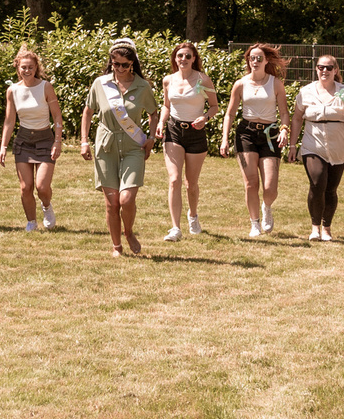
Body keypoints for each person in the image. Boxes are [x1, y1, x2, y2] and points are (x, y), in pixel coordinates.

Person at [83, 38, 156, 257]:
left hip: (134, 147)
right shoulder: (100, 84)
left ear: (133, 63)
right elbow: (88, 112)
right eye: (117, 64)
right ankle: (116, 246)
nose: (121, 69)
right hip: (106, 147)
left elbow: (153, 113)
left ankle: (129, 231)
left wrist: (151, 137)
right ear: (111, 63)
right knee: (112, 202)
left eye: (125, 64)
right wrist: (84, 141)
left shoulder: (142, 86)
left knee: (126, 199)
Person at [223, 42, 291, 237]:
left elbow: (284, 113)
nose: (255, 61)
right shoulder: (241, 84)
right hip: (246, 133)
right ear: (248, 61)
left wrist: (285, 129)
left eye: (259, 58)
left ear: (266, 60)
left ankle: (267, 206)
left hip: (270, 134)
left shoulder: (275, 83)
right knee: (251, 182)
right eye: (252, 58)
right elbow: (229, 114)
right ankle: (254, 224)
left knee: (270, 187)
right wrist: (224, 139)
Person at [296, 54, 344, 242]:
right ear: (316, 69)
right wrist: (292, 145)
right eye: (320, 67)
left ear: (335, 70)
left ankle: (327, 228)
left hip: (338, 146)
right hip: (313, 144)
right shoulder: (306, 92)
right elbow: (296, 118)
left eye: (328, 67)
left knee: (331, 189)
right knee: (317, 183)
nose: (324, 71)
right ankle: (315, 228)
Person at [0, 44, 63, 232]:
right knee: (26, 187)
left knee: (42, 187)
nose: (27, 71)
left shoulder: (45, 87)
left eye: (31, 67)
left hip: (45, 140)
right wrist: (3, 147)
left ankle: (47, 207)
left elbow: (57, 116)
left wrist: (57, 141)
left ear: (36, 68)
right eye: (23, 67)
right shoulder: (12, 91)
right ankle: (31, 222)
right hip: (23, 141)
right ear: (18, 68)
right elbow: (9, 121)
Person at [158, 40, 216, 242]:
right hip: (173, 131)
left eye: (188, 56)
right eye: (180, 55)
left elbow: (214, 107)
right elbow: (166, 106)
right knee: (174, 180)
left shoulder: (203, 80)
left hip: (195, 133)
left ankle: (193, 215)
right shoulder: (168, 80)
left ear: (194, 59)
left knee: (191, 183)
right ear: (175, 58)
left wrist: (205, 118)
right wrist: (160, 122)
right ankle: (175, 228)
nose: (183, 59)